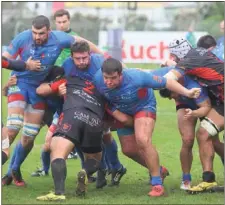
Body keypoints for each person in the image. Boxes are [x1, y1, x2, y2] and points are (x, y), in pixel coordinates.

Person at [2, 15, 104, 187]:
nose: (37, 37)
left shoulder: (59, 40)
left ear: (49, 31)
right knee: (13, 127)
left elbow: (84, 42)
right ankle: (7, 171)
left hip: (40, 90)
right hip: (19, 84)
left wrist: (104, 57)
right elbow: (4, 60)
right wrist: (24, 66)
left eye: (41, 33)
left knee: (29, 137)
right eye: (34, 32)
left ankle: (15, 170)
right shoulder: (22, 38)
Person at [93, 58, 201, 197]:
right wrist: (114, 113)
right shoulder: (98, 79)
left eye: (113, 78)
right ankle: (159, 170)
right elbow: (99, 97)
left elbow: (166, 81)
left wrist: (187, 93)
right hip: (121, 110)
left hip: (143, 106)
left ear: (121, 74)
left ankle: (157, 185)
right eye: (106, 78)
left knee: (143, 140)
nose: (108, 82)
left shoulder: (136, 77)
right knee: (129, 150)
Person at [35, 41, 126, 188]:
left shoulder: (100, 63)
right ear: (72, 57)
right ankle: (93, 171)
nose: (82, 61)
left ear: (90, 55)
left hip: (99, 105)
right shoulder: (66, 65)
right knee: (58, 140)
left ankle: (113, 167)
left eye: (85, 57)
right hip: (71, 105)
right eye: (78, 58)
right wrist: (59, 91)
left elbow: (118, 74)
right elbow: (56, 85)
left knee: (106, 136)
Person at [165, 37, 224, 193]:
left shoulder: (189, 60)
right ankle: (208, 180)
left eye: (174, 55)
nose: (173, 59)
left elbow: (168, 79)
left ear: (179, 53)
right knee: (204, 133)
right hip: (221, 103)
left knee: (207, 136)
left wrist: (186, 92)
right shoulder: (199, 52)